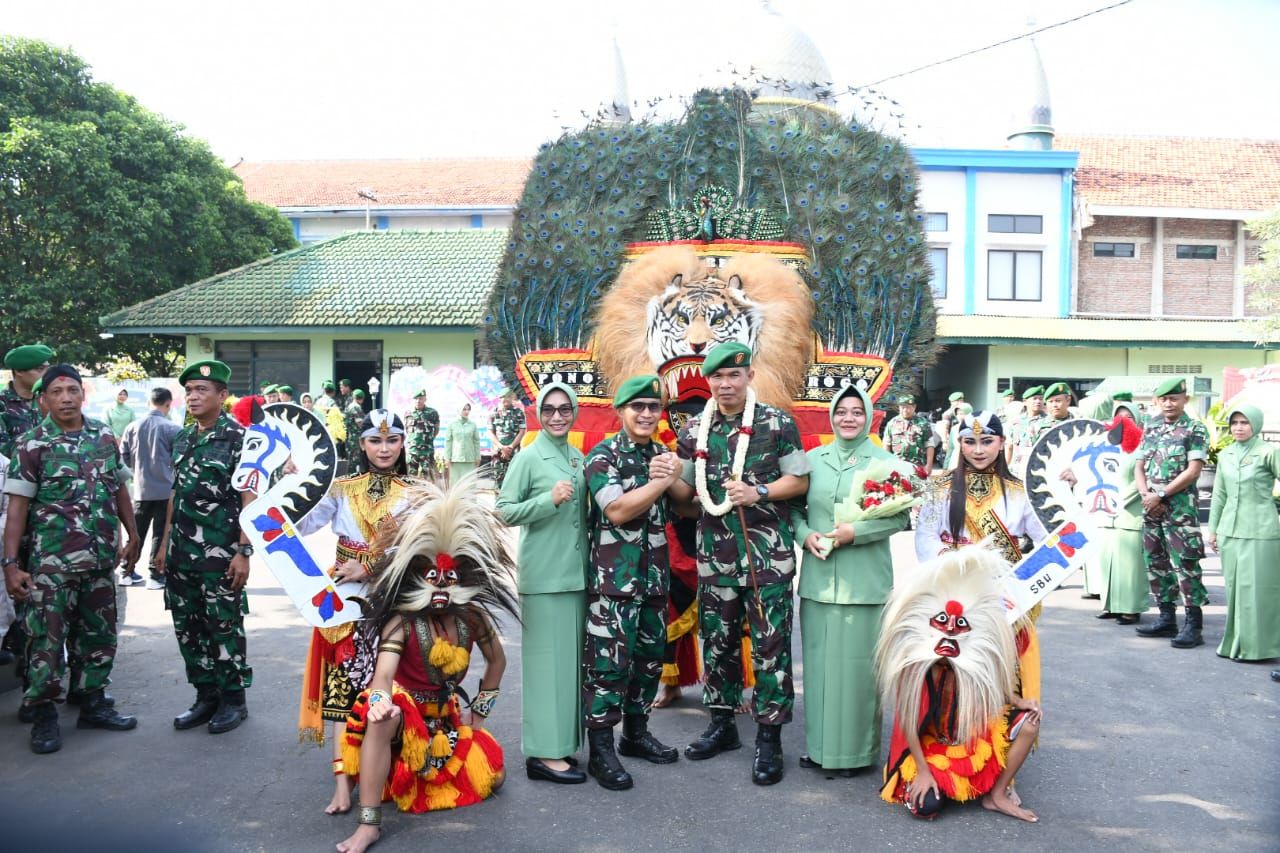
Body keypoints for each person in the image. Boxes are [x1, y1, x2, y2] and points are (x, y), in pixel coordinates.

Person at [336, 473, 518, 853]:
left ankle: (413, 777)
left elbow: (497, 662)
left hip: (444, 722)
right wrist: (380, 700)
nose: (441, 587)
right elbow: (383, 675)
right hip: (403, 719)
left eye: (448, 579)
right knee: (384, 717)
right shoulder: (402, 622)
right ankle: (368, 823)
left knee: (495, 778)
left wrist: (479, 714)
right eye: (432, 578)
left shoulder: (472, 619)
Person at [667, 342, 810, 786]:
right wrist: (668, 476)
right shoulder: (695, 430)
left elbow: (800, 479)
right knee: (719, 644)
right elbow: (689, 498)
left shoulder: (777, 422)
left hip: (767, 557)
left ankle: (770, 738)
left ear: (749, 375)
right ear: (708, 381)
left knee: (771, 648)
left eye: (734, 375)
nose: (726, 384)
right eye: (717, 378)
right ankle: (722, 724)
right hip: (716, 560)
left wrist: (760, 493)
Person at [3, 364, 141, 754]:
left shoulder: (102, 437)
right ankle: (44, 713)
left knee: (98, 635)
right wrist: (11, 565)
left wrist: (132, 536)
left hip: (99, 561)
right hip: (51, 567)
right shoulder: (32, 445)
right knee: (45, 642)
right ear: (43, 399)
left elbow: (120, 491)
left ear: (84, 394)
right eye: (57, 391)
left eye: (72, 390)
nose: (66, 398)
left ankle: (93, 703)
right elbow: (17, 509)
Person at [296, 408, 414, 815]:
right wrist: (295, 484)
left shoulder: (415, 491)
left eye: (392, 440)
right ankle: (343, 783)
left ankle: (387, 770)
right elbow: (302, 524)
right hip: (343, 598)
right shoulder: (341, 488)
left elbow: (416, 549)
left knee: (389, 687)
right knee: (341, 689)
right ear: (361, 444)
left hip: (390, 596)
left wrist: (369, 567)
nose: (384, 448)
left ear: (402, 444)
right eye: (376, 440)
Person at [792, 384, 912, 776]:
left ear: (869, 416)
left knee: (859, 671)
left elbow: (898, 517)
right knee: (819, 668)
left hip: (865, 583)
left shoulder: (886, 462)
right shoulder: (813, 460)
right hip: (820, 581)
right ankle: (819, 749)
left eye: (856, 412)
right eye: (841, 411)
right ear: (831, 416)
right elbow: (793, 510)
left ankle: (856, 755)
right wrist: (804, 534)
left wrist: (854, 534)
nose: (848, 418)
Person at [878, 546, 1044, 823]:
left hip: (971, 737)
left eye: (960, 625)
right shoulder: (917, 665)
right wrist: (922, 771)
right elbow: (909, 722)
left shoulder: (973, 655)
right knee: (926, 806)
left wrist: (1019, 702)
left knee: (1030, 722)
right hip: (930, 747)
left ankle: (997, 795)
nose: (950, 630)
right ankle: (943, 785)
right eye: (942, 622)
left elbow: (993, 686)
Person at [581, 375, 683, 790]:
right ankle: (601, 750)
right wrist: (660, 480)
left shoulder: (663, 454)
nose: (645, 414)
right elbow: (618, 509)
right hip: (613, 584)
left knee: (647, 663)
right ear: (620, 411)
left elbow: (689, 507)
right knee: (607, 668)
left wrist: (674, 474)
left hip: (654, 579)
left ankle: (635, 734)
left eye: (653, 407)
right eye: (637, 407)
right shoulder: (602, 456)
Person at [153, 360, 256, 735]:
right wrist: (163, 545)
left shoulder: (241, 439)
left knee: (223, 628)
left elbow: (250, 499)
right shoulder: (183, 437)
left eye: (202, 390)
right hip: (181, 554)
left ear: (222, 396)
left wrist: (243, 553)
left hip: (220, 554)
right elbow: (175, 494)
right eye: (190, 390)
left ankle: (233, 700)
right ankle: (205, 694)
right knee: (188, 629)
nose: (193, 397)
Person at [496, 382, 589, 785]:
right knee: (545, 668)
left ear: (574, 412)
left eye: (563, 409)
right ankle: (542, 754)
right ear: (537, 414)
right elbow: (503, 511)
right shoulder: (529, 457)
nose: (556, 416)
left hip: (576, 576)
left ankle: (562, 744)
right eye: (548, 409)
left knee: (569, 667)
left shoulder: (577, 457)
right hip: (545, 576)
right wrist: (546, 500)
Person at [1133, 377, 1210, 648]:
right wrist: (1146, 495)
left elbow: (1193, 471)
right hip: (1152, 508)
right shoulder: (1151, 427)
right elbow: (1139, 465)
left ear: (1184, 400)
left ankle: (1194, 625)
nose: (1168, 403)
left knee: (1186, 564)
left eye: (1174, 398)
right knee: (1156, 561)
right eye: (1164, 398)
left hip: (1180, 511)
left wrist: (1161, 495)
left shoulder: (1194, 429)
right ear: (1157, 401)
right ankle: (1167, 618)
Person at [916, 411, 1048, 566]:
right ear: (960, 443)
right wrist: (950, 561)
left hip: (1003, 582)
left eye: (987, 441)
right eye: (970, 442)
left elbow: (1047, 539)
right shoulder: (940, 488)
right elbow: (925, 535)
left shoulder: (1019, 491)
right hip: (952, 578)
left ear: (1001, 442)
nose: (978, 450)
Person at [1208, 404, 1280, 662]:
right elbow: (1219, 495)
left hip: (1261, 532)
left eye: (1244, 422)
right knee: (1235, 590)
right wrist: (1213, 530)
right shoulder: (1226, 454)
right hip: (1230, 532)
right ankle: (1234, 644)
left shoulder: (1268, 452)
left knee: (1258, 591)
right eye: (1234, 423)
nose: (1238, 427)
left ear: (1256, 424)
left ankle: (1257, 648)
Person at [119, 387, 182, 590]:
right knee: (160, 534)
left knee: (136, 532)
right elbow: (180, 460)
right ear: (168, 404)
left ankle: (125, 571)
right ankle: (155, 575)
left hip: (140, 489)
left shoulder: (132, 427)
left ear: (149, 402)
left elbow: (124, 458)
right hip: (166, 491)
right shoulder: (172, 429)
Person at [1092, 401, 1148, 624]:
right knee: (1108, 562)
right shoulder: (1108, 446)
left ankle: (1130, 608)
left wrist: (1121, 499)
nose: (1123, 421)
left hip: (1130, 513)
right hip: (1107, 514)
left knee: (1130, 565)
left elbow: (1143, 477)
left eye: (1129, 417)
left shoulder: (1143, 446)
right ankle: (1111, 605)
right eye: (1119, 417)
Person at [1, 344, 53, 459]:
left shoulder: (46, 400)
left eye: (47, 368)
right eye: (40, 369)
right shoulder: (3, 404)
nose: (47, 373)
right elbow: (3, 451)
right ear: (19, 371)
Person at [883, 394, 938, 475]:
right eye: (903, 407)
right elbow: (886, 445)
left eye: (908, 407)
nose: (905, 410)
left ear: (914, 407)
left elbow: (930, 445)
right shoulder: (892, 423)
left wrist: (929, 465)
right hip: (898, 466)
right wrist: (888, 464)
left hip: (918, 467)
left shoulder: (923, 423)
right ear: (899, 407)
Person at [490, 392, 527, 488]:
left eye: (507, 397)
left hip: (514, 451)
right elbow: (491, 433)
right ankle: (499, 501)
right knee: (498, 479)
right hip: (498, 452)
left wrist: (511, 447)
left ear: (512, 398)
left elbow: (522, 431)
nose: (505, 399)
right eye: (502, 397)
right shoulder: (494, 413)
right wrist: (501, 447)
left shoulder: (518, 412)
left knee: (514, 479)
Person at [1005, 386, 1045, 476]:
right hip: (1018, 470)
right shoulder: (1015, 422)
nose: (1038, 401)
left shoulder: (1049, 421)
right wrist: (1005, 468)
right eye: (1034, 399)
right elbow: (1009, 447)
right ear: (1025, 402)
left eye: (1040, 399)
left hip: (1040, 469)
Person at [403, 389, 440, 480]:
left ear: (425, 399)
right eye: (416, 399)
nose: (418, 401)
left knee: (428, 476)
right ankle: (412, 493)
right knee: (411, 477)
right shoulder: (408, 413)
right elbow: (407, 430)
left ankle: (427, 494)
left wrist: (429, 439)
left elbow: (436, 429)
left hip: (427, 450)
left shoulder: (432, 413)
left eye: (420, 398)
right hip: (413, 451)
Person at [445, 403, 481, 485]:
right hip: (456, 459)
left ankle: (469, 498)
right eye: (464, 409)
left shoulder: (473, 425)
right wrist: (447, 457)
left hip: (470, 459)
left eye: (468, 409)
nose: (466, 411)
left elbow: (476, 442)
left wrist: (478, 457)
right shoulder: (452, 424)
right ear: (459, 410)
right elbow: (448, 441)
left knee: (469, 484)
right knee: (456, 484)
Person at [942, 403, 974, 471]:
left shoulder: (976, 428)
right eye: (958, 414)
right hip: (955, 464)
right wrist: (945, 466)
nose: (960, 416)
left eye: (963, 414)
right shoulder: (954, 429)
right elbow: (951, 448)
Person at [343, 390, 367, 470]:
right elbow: (360, 423)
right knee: (355, 462)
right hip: (355, 439)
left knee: (352, 462)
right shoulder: (356, 407)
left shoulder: (349, 406)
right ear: (361, 399)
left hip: (350, 438)